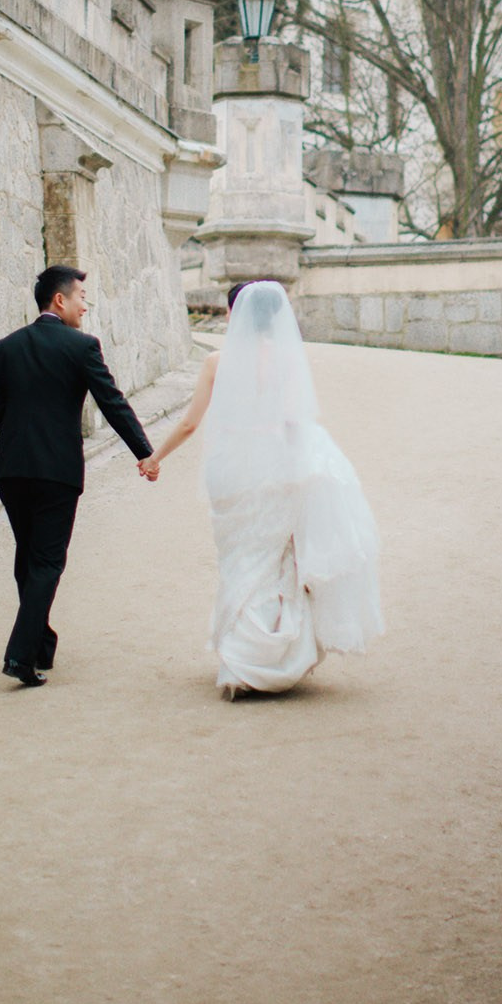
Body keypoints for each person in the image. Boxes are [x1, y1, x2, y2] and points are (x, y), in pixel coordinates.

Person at [141, 280, 383, 697]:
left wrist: (155, 457)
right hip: (272, 468)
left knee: (239, 560)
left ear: (235, 315)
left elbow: (189, 423)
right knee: (273, 562)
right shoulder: (286, 361)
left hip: (231, 472)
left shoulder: (217, 361)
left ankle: (239, 662)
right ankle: (272, 656)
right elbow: (294, 421)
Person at [0, 265, 154, 687]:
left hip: (14, 469)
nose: (85, 305)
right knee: (47, 561)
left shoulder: (5, 347)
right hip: (57, 471)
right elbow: (113, 403)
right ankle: (20, 656)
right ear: (60, 300)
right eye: (81, 297)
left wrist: (23, 432)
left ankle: (41, 642)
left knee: (29, 557)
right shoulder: (82, 347)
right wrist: (145, 453)